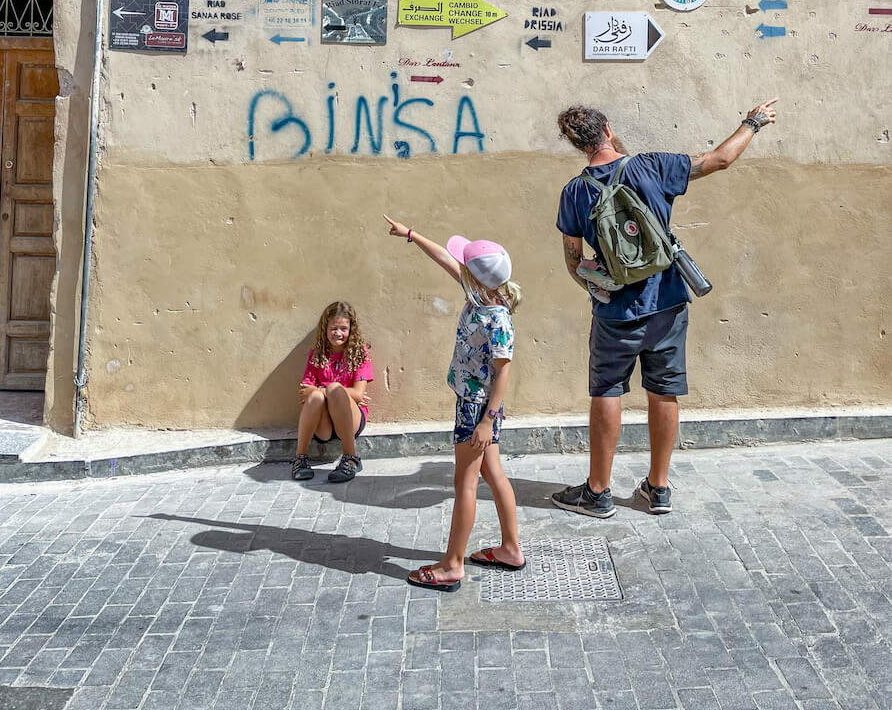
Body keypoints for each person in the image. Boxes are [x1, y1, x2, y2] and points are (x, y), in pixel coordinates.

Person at [552, 98, 778, 518]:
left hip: (614, 312)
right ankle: (658, 488)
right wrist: (754, 121)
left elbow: (573, 260)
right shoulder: (653, 166)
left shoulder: (575, 191)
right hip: (669, 302)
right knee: (664, 390)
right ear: (607, 130)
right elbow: (720, 159)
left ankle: (598, 492)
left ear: (577, 144)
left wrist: (596, 286)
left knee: (606, 392)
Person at [384, 215, 524, 592]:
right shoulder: (483, 295)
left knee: (465, 481)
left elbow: (504, 370)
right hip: (481, 406)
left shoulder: (496, 318)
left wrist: (486, 420)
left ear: (476, 278)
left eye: (465, 267)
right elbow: (446, 259)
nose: (457, 267)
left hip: (477, 407)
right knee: (493, 472)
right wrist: (411, 235)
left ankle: (452, 564)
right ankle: (510, 548)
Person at [292, 300, 373, 483]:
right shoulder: (316, 355)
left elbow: (358, 395)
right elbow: (305, 391)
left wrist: (327, 389)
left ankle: (351, 458)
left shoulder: (360, 354)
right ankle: (300, 458)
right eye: (333, 328)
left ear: (351, 329)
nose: (338, 333)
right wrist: (323, 392)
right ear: (325, 329)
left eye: (343, 328)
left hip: (351, 419)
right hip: (324, 425)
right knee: (316, 397)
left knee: (332, 389)